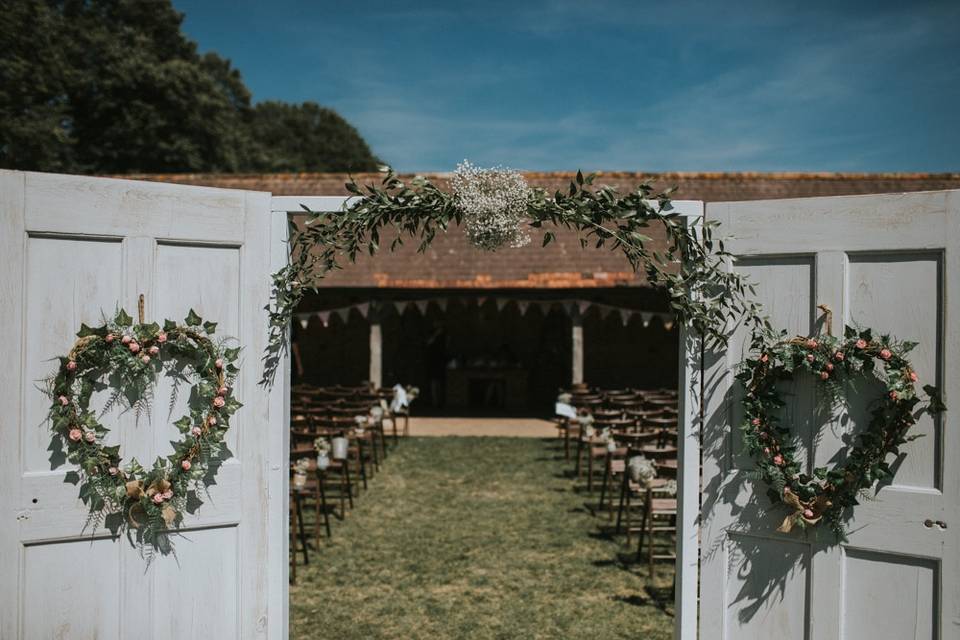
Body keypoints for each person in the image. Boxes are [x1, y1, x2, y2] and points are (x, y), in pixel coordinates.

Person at [425, 322, 447, 408]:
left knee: (440, 382)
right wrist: (436, 334)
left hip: (441, 360)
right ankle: (435, 402)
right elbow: (428, 342)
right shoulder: (432, 334)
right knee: (434, 382)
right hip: (433, 361)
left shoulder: (444, 336)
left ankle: (440, 401)